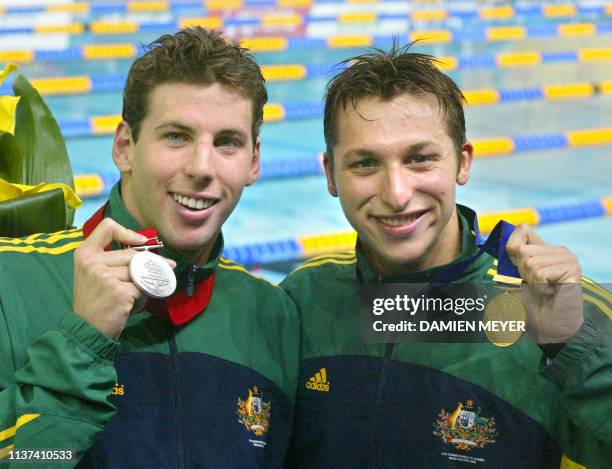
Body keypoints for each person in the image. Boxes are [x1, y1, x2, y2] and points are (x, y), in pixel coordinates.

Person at [281, 43, 611, 468]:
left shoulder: (562, 312)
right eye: (365, 163)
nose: (396, 194)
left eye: (420, 159)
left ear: (462, 161)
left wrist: (571, 348)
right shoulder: (305, 300)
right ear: (330, 174)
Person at [0, 28, 299, 467]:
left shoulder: (273, 316)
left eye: (226, 143)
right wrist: (83, 341)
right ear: (124, 147)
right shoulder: (12, 281)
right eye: (176, 136)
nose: (201, 168)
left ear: (254, 162)